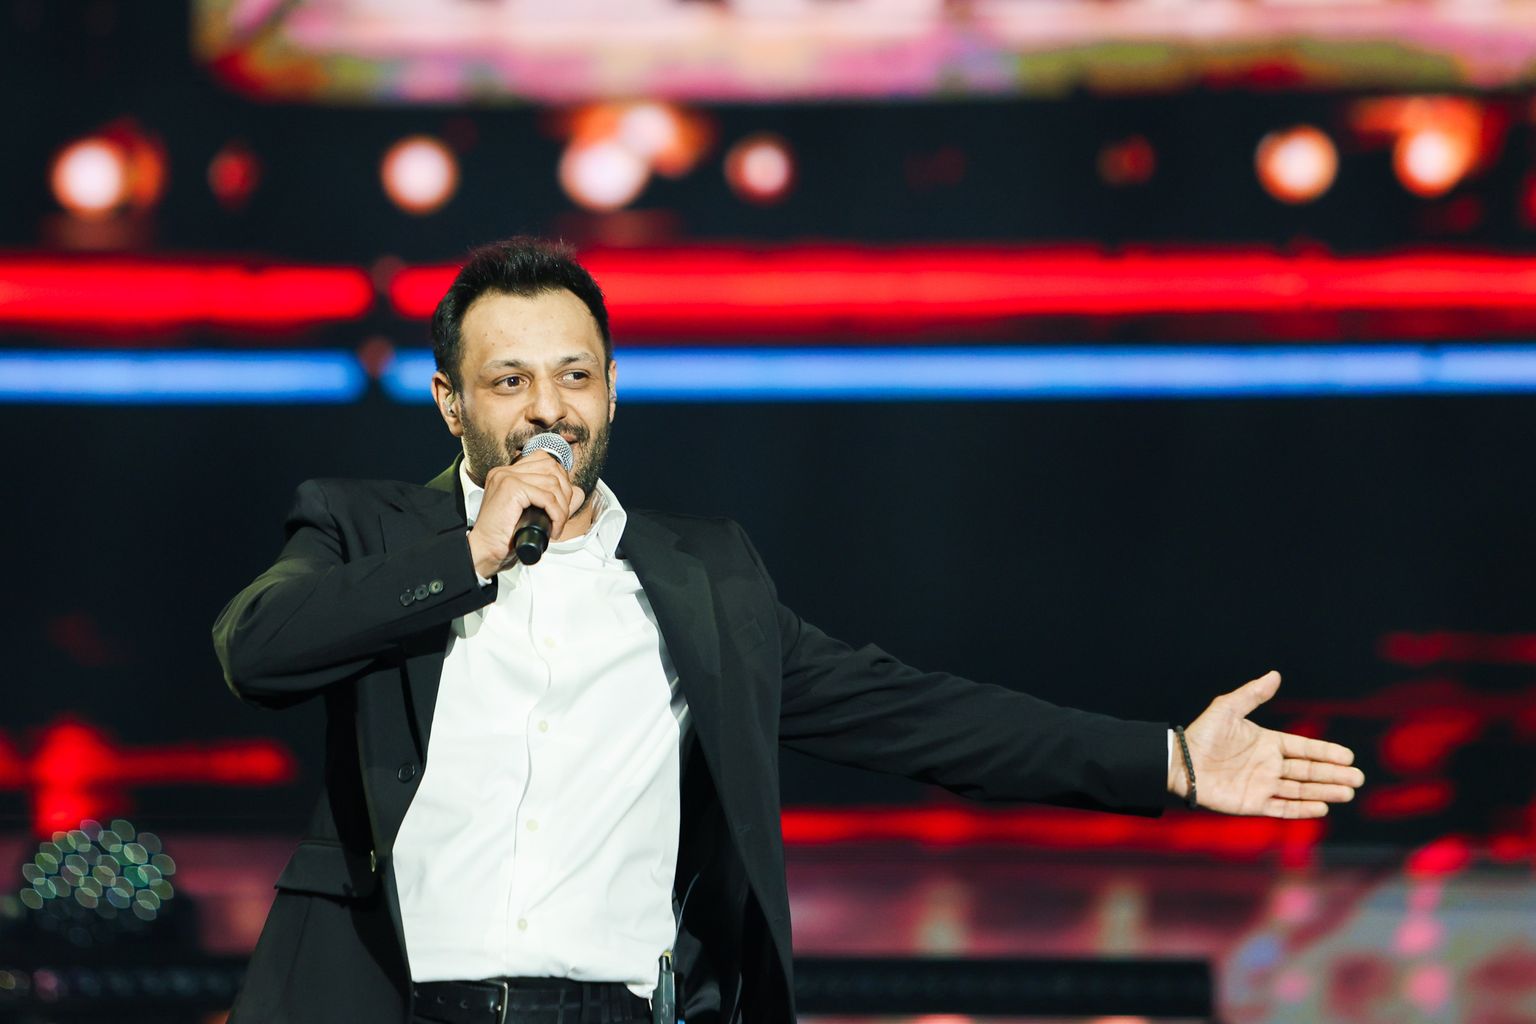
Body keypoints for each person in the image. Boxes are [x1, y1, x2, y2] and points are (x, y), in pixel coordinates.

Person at [212, 237, 1364, 1024]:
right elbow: (256, 648)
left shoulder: (702, 578)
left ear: (612, 391)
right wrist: (468, 555)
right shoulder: (365, 528)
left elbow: (915, 713)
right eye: (509, 381)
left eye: (574, 375)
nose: (548, 408)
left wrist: (1166, 759)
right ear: (450, 402)